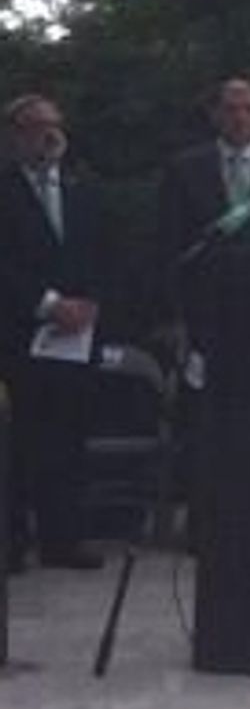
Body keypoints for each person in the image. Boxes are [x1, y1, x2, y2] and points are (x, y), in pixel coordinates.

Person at [0, 94, 105, 572]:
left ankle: (65, 537)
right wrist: (47, 304)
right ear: (14, 134)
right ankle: (12, 539)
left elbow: (104, 250)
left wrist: (87, 305)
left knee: (68, 436)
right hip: (19, 333)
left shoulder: (82, 188)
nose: (49, 135)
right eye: (36, 126)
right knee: (18, 439)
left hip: (75, 335)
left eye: (54, 125)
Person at [158, 77, 250, 374]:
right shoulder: (184, 168)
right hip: (206, 306)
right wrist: (173, 313)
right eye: (231, 109)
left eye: (249, 109)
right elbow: (169, 241)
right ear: (215, 115)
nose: (240, 118)